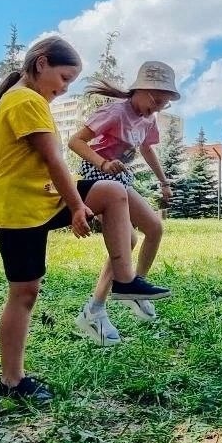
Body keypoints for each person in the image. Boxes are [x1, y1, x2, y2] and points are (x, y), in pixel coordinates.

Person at [0, 37, 171, 402]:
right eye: (64, 79)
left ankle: (125, 281)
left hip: (43, 197)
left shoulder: (25, 99)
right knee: (24, 293)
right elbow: (55, 159)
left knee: (113, 191)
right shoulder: (25, 100)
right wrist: (77, 206)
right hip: (20, 208)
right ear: (41, 64)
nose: (64, 89)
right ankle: (11, 381)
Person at [68, 61, 180, 344]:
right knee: (151, 228)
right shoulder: (116, 111)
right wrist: (103, 163)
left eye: (162, 105)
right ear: (139, 90)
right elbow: (76, 142)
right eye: (154, 101)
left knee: (136, 238)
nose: (155, 109)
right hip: (99, 175)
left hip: (121, 178)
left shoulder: (148, 119)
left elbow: (147, 149)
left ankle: (108, 299)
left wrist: (164, 181)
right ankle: (129, 288)